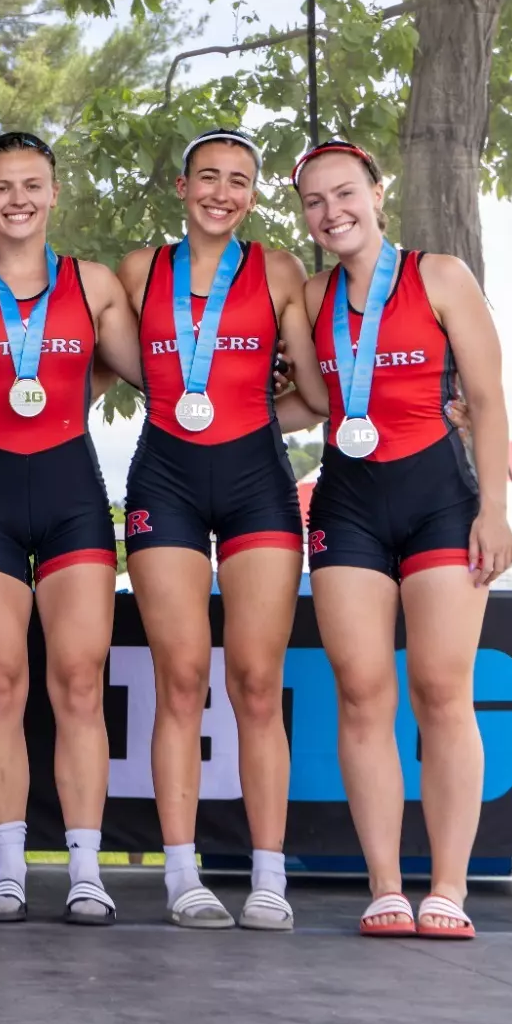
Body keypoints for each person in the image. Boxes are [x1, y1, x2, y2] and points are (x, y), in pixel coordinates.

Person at [293, 140, 512, 939]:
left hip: (440, 502)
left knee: (443, 690)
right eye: (315, 202)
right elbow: (308, 401)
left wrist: (494, 508)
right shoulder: (311, 295)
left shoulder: (440, 274)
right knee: (360, 692)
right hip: (348, 501)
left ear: (378, 192)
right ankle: (385, 883)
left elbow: (486, 399)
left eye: (344, 193)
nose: (331, 212)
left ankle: (447, 887)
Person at [0, 131, 143, 924]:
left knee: (80, 682)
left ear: (53, 194)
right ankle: (9, 865)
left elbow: (150, 369)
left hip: (70, 490)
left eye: (31, 185)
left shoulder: (93, 284)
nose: (17, 199)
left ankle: (86, 868)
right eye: (1, 187)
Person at [115, 127, 327, 931]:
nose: (222, 192)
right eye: (208, 176)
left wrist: (245, 418)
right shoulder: (141, 271)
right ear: (181, 185)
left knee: (257, 681)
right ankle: (182, 874)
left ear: (252, 194)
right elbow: (122, 366)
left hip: (256, 481)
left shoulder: (278, 271)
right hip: (164, 477)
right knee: (179, 678)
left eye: (239, 180)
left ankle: (268, 875)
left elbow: (311, 391)